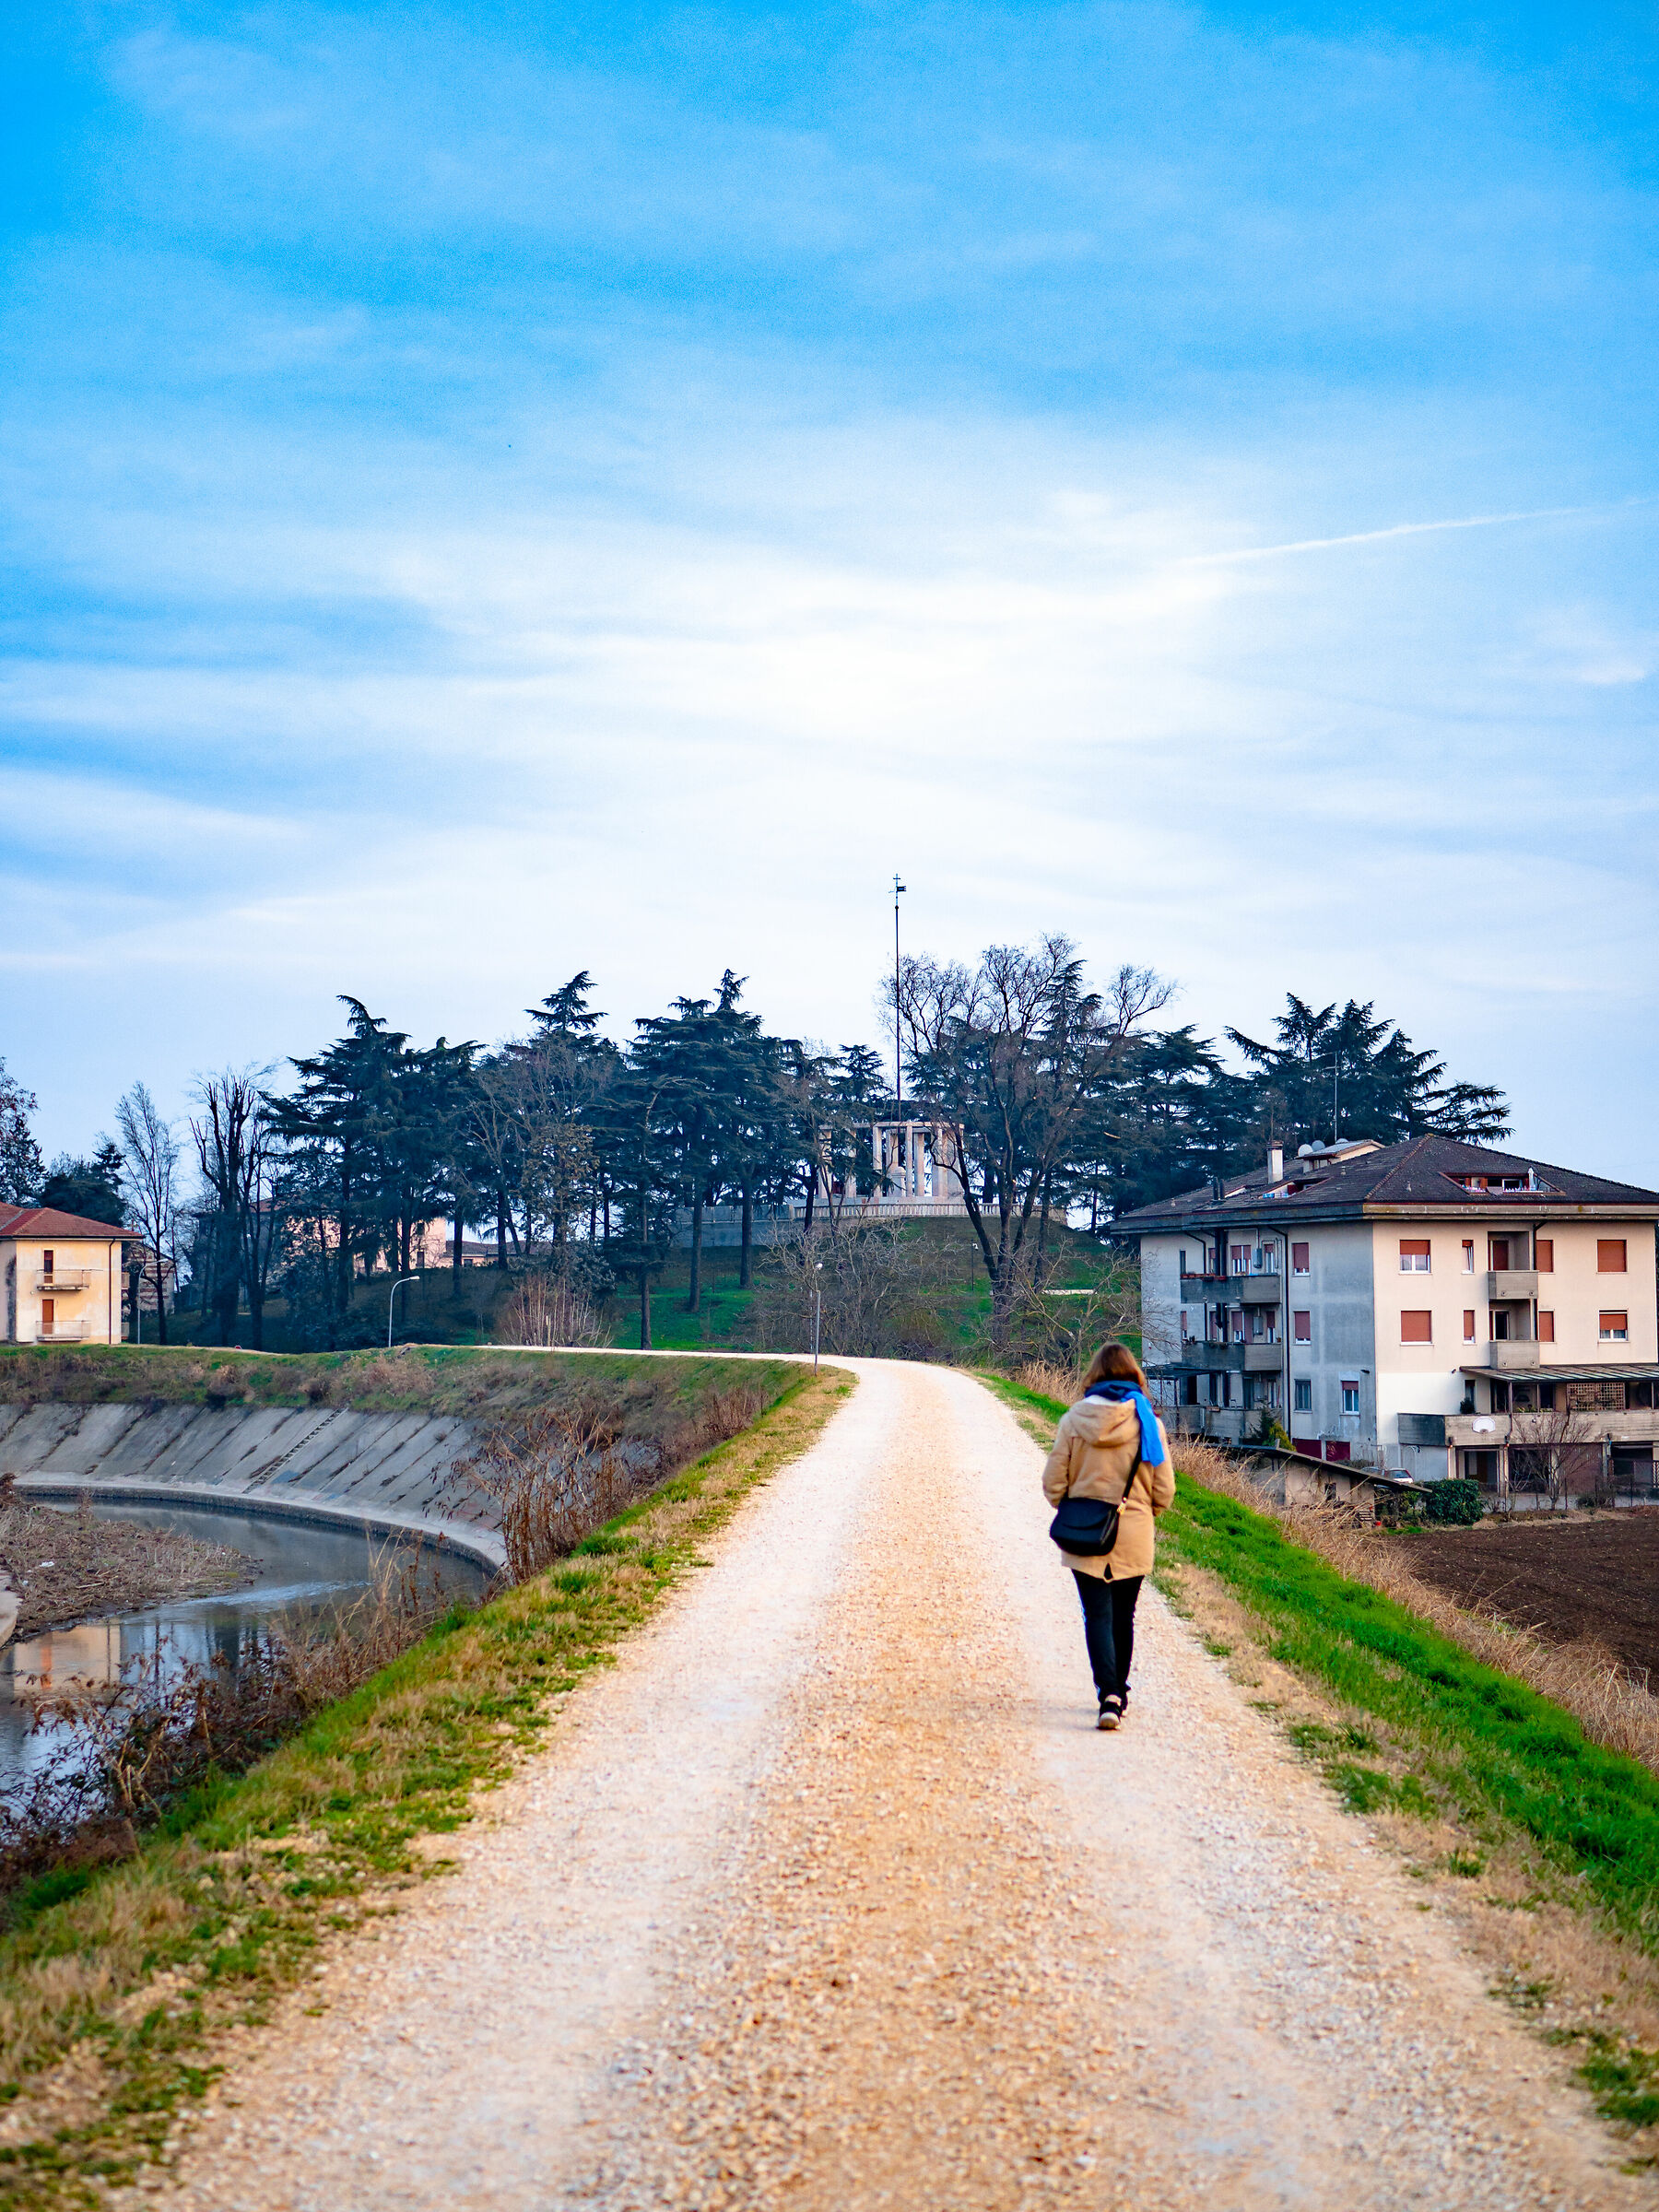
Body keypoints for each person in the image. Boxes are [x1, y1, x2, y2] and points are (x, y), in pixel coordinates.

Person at [1042, 1342, 1176, 1730]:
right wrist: (1142, 1513)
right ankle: (1119, 1691)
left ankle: (1108, 1695)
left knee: (1096, 1613)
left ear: (1095, 1375)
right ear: (1134, 1375)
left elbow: (1054, 1483)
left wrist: (1074, 1506)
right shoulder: (1148, 1423)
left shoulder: (1073, 1420)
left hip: (1085, 1532)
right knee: (1124, 1614)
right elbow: (1164, 1491)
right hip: (1133, 1531)